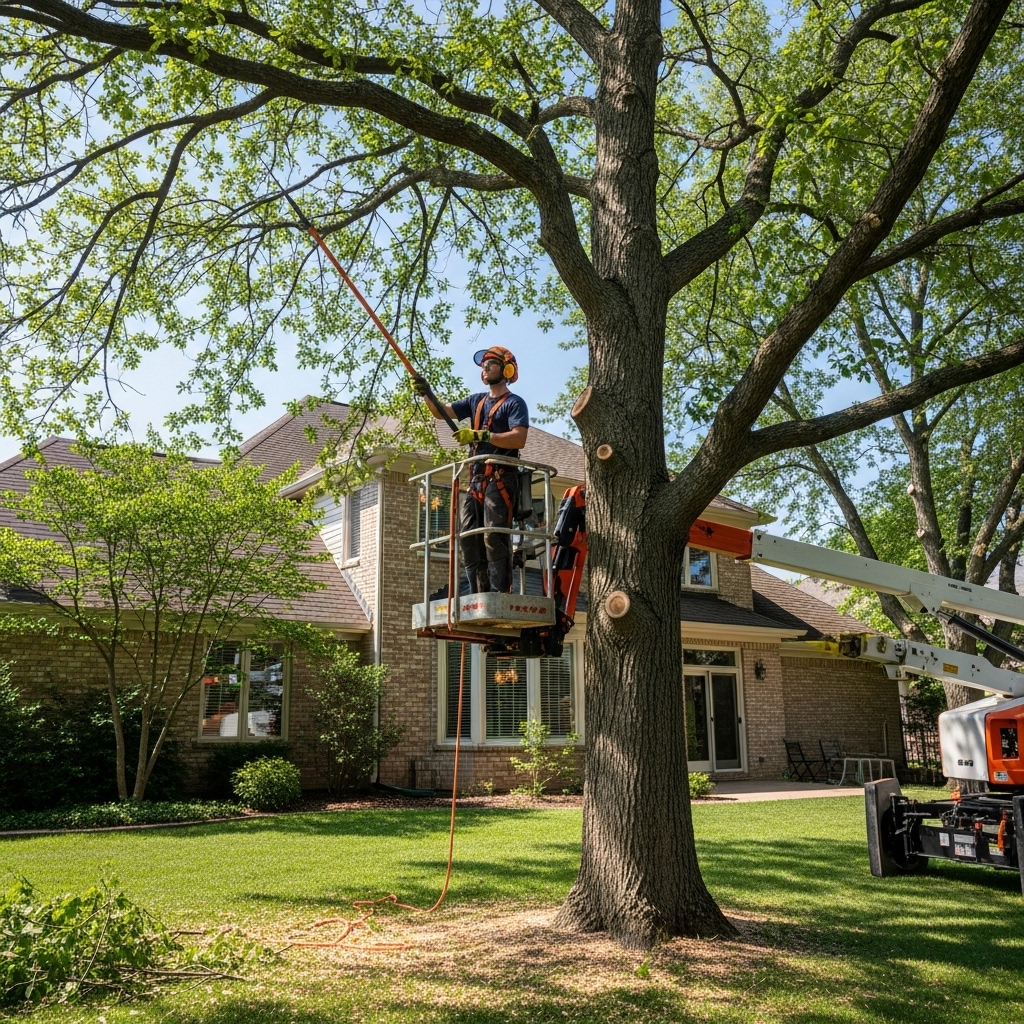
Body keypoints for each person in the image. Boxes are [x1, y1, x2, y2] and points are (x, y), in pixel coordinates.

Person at [414, 347, 529, 593]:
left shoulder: (514, 403)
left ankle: (499, 592)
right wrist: (427, 393)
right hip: (476, 479)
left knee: (492, 535)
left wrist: (482, 434)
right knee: (468, 536)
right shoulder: (475, 401)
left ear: (507, 370)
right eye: (483, 364)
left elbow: (519, 439)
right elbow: (439, 411)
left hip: (501, 477)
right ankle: (479, 593)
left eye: (491, 363)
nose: (485, 368)